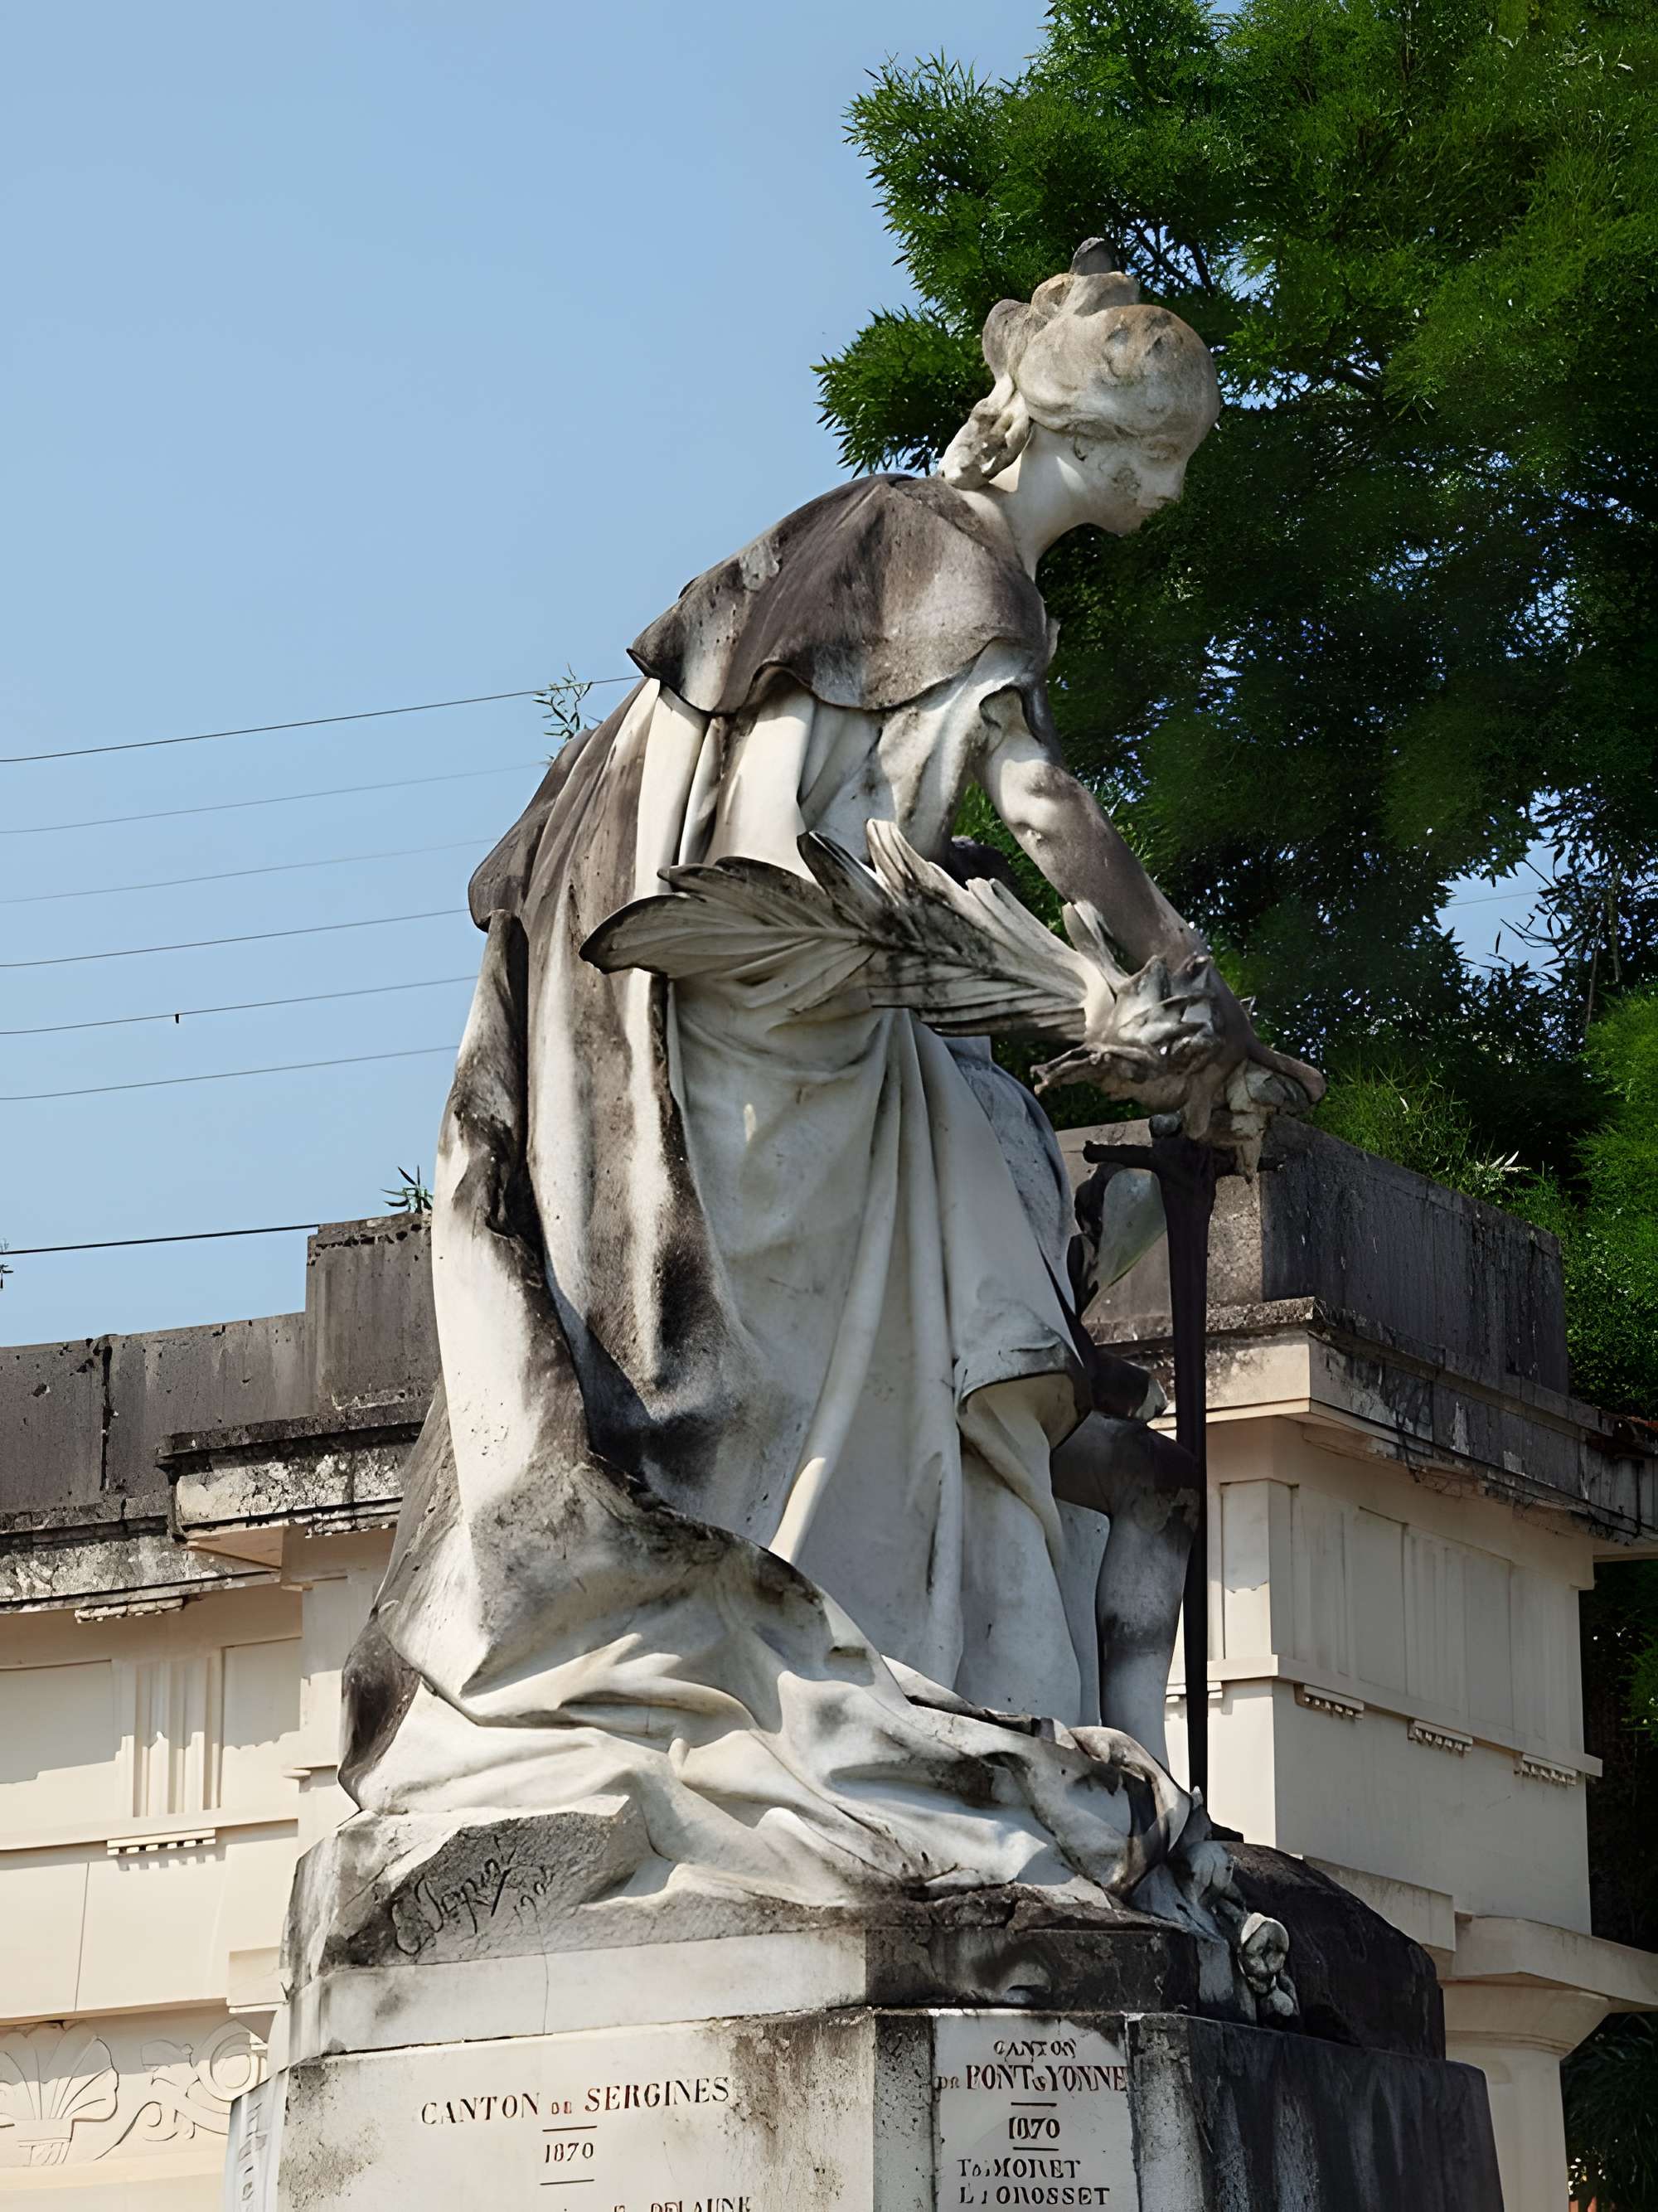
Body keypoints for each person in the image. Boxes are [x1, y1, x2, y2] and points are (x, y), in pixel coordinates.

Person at [339, 245, 1313, 1927]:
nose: (1168, 493)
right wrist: (1179, 978)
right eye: (1167, 454)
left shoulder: (859, 536)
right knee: (830, 1346)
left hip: (747, 1031)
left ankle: (871, 1669)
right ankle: (825, 1678)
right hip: (773, 1043)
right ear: (1105, 441)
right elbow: (1043, 809)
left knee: (946, 1234)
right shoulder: (951, 556)